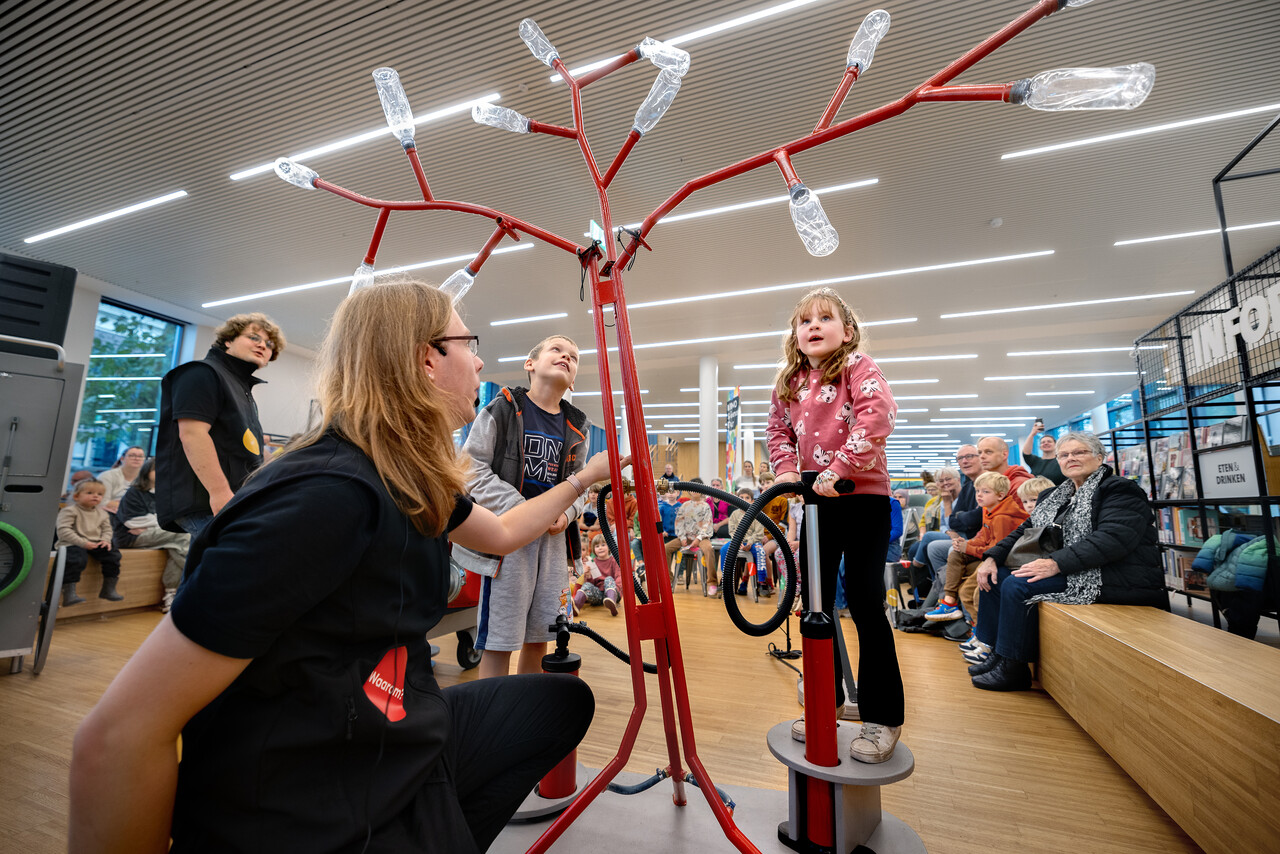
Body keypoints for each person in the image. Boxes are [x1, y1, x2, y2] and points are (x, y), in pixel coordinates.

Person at [70, 280, 625, 853]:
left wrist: (584, 479)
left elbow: (504, 531)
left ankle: (429, 819)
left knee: (555, 704)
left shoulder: (408, 473)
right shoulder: (327, 495)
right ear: (424, 359)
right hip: (320, 786)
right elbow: (114, 739)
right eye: (469, 342)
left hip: (387, 720)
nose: (481, 359)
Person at [767, 286, 904, 764]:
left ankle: (882, 717)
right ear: (796, 335)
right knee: (815, 605)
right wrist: (787, 472)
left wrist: (838, 469)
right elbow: (777, 431)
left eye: (826, 318)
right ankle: (828, 702)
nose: (814, 326)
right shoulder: (788, 380)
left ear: (847, 330)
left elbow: (877, 417)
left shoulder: (858, 368)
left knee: (866, 605)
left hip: (861, 497)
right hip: (815, 501)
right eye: (805, 321)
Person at [968, 432, 1165, 691]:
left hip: (1114, 576)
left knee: (1017, 585)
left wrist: (1055, 563)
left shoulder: (1119, 489)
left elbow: (1113, 539)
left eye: (1079, 452)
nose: (1070, 458)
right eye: (1064, 455)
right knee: (996, 577)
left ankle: (1014, 666)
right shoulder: (1056, 495)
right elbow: (1026, 529)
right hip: (1076, 568)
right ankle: (998, 653)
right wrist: (993, 557)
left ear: (1099, 456)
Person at [454, 335, 589, 680]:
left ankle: (522, 711)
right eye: (557, 350)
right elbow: (470, 469)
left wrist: (566, 513)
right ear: (530, 364)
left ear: (573, 379)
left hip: (553, 545)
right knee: (499, 640)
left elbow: (582, 487)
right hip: (507, 541)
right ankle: (492, 716)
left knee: (541, 636)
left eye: (573, 356)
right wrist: (526, 511)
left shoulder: (578, 427)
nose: (566, 356)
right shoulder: (500, 408)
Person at [156, 312, 285, 541]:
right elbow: (193, 434)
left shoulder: (240, 387)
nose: (262, 345)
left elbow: (249, 447)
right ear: (228, 340)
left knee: (213, 572)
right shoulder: (201, 372)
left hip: (236, 500)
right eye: (254, 337)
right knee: (233, 570)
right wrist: (219, 493)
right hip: (208, 501)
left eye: (268, 343)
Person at [925, 471, 1027, 623]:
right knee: (956, 553)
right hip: (989, 556)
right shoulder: (988, 509)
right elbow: (982, 537)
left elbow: (997, 551)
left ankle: (978, 630)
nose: (979, 495)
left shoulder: (1002, 518)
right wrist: (965, 544)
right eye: (977, 491)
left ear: (1000, 495)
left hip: (1001, 561)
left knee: (966, 591)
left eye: (985, 492)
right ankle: (949, 602)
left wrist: (968, 548)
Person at [111, 458, 191, 612]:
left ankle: (171, 595)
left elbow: (172, 518)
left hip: (153, 534)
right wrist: (157, 522)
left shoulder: (165, 494)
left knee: (176, 547)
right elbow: (132, 523)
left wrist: (150, 523)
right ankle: (196, 577)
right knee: (181, 536)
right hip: (129, 538)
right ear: (147, 472)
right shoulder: (134, 492)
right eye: (157, 469)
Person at [55, 479, 123, 605]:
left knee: (113, 555)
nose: (96, 496)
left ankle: (108, 589)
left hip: (95, 542)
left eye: (99, 494)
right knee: (77, 558)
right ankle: (69, 593)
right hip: (72, 543)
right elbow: (64, 530)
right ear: (76, 496)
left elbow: (107, 530)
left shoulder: (102, 513)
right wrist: (82, 543)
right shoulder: (69, 511)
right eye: (90, 492)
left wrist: (105, 540)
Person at [663, 487, 717, 594]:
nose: (695, 491)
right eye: (692, 488)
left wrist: (698, 538)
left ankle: (712, 583)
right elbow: (679, 522)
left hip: (702, 538)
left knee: (709, 550)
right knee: (666, 549)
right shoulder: (685, 506)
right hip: (686, 537)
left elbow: (707, 524)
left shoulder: (706, 506)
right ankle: (668, 580)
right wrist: (682, 538)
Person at [722, 487, 771, 595]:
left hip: (753, 542)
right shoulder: (734, 514)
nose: (744, 499)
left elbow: (759, 532)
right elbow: (732, 530)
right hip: (737, 541)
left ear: (752, 501)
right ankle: (724, 578)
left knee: (760, 552)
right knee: (724, 549)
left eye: (747, 498)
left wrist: (750, 542)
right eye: (741, 497)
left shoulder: (758, 513)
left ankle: (762, 582)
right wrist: (737, 541)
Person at [574, 534, 622, 616]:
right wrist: (588, 576)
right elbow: (592, 584)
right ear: (593, 549)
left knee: (608, 579)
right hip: (599, 595)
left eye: (603, 545)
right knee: (586, 585)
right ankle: (575, 606)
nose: (600, 548)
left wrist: (617, 591)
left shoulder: (614, 561)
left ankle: (611, 602)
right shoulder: (592, 563)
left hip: (614, 593)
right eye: (597, 546)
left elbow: (619, 577)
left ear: (609, 546)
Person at [98, 446, 146, 513]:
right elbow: (101, 502)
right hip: (110, 514)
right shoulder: (107, 476)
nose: (137, 458)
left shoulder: (146, 478)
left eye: (140, 456)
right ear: (122, 459)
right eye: (132, 455)